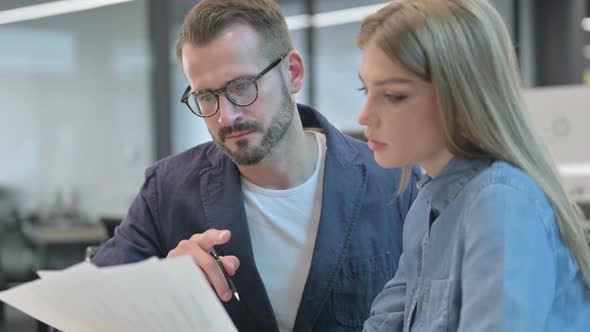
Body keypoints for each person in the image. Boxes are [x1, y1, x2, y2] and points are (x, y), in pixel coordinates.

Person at [91, 0, 419, 331]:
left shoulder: (397, 180)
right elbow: (74, 317)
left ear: (292, 73)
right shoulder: (167, 190)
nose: (225, 116)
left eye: (241, 86)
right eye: (206, 96)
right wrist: (160, 289)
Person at [356, 0, 590, 331]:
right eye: (364, 89)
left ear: (463, 98)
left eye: (393, 95)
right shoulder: (426, 203)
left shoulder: (501, 203)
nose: (363, 116)